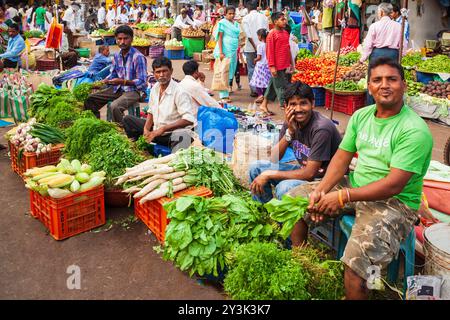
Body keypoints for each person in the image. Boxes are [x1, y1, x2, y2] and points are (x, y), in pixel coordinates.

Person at [289, 57, 433, 299]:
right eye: (377, 80)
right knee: (294, 200)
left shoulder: (414, 130)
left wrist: (343, 196)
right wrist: (321, 190)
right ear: (369, 86)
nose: (384, 85)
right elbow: (342, 158)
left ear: (404, 86)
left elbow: (393, 185)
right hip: (356, 186)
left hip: (395, 203)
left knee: (355, 267)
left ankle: (362, 288)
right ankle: (302, 264)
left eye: (392, 79)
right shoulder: (361, 116)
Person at [249, 81, 341, 212]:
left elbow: (309, 174)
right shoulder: (291, 121)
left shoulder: (321, 128)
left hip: (324, 180)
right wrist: (290, 132)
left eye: (303, 103)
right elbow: (274, 158)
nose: (298, 109)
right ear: (285, 106)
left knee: (284, 188)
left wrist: (270, 174)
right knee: (256, 168)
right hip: (305, 171)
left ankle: (284, 224)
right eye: (293, 104)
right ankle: (265, 214)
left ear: (312, 104)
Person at [123, 57, 196, 152]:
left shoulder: (180, 91)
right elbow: (151, 112)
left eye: (164, 71)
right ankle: (140, 150)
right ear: (153, 74)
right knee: (128, 120)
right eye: (158, 72)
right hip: (156, 132)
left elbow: (188, 119)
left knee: (184, 136)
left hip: (170, 135)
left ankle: (174, 158)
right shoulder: (155, 88)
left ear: (171, 71)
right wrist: (146, 130)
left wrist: (163, 129)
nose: (161, 75)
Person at [84, 25, 147, 125]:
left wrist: (124, 82)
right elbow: (113, 74)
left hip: (133, 91)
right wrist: (103, 82)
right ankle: (95, 125)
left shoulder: (138, 57)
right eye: (119, 39)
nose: (122, 42)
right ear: (116, 40)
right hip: (118, 88)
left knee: (114, 107)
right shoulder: (117, 56)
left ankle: (124, 129)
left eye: (126, 38)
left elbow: (142, 82)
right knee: (90, 99)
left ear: (131, 39)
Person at [259, 12, 293, 116]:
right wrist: (272, 66)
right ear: (275, 22)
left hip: (285, 65)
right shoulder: (271, 34)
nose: (285, 21)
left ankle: (263, 105)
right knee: (282, 87)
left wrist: (291, 63)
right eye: (282, 19)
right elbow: (270, 51)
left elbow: (288, 49)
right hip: (277, 66)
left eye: (285, 19)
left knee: (272, 87)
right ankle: (285, 106)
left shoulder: (285, 33)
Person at [213, 6, 240, 103]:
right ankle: (223, 96)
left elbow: (238, 36)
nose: (232, 15)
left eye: (233, 13)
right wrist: (221, 52)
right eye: (230, 13)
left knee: (231, 71)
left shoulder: (236, 24)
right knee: (223, 71)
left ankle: (226, 91)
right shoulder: (222, 23)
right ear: (225, 14)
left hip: (233, 51)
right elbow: (220, 38)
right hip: (224, 50)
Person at [242, 0, 269, 98]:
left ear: (247, 8)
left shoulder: (245, 18)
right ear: (257, 6)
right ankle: (264, 89)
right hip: (264, 46)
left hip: (251, 47)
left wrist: (256, 47)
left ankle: (254, 90)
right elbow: (267, 32)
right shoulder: (264, 17)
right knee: (264, 68)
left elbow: (249, 36)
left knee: (251, 68)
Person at [249, 29, 271, 104]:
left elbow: (259, 57)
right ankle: (264, 95)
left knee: (258, 81)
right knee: (265, 82)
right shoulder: (269, 45)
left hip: (260, 66)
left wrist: (255, 60)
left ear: (260, 36)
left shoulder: (260, 45)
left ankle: (260, 95)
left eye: (258, 35)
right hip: (267, 65)